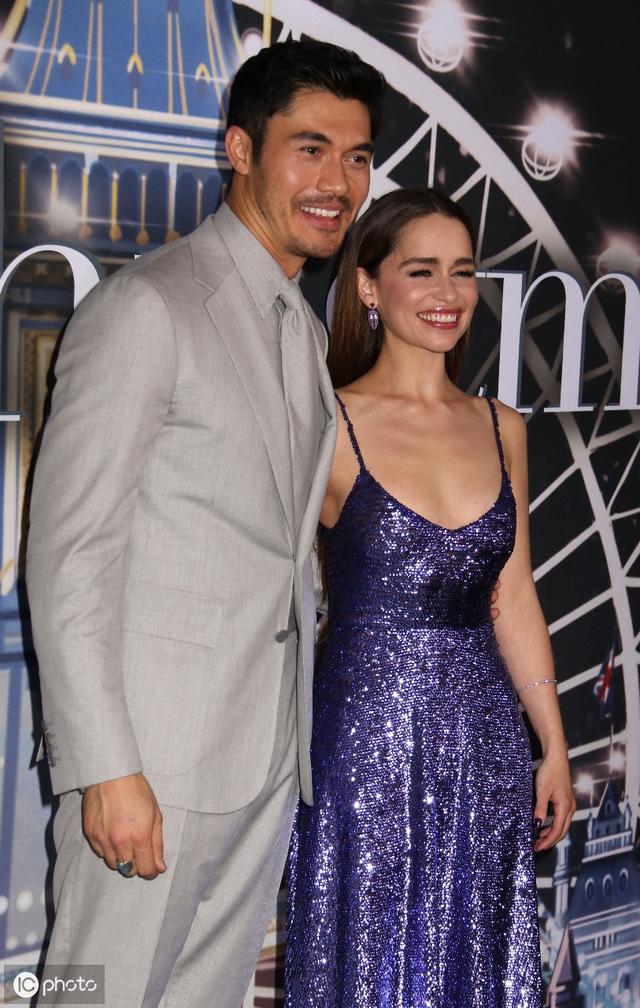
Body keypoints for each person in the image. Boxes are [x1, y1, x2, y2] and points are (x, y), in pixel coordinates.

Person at [26, 40, 385, 1008]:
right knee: (92, 999)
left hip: (261, 757)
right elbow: (68, 554)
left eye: (356, 157)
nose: (337, 182)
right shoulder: (149, 306)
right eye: (310, 149)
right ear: (239, 148)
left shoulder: (299, 322)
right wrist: (107, 767)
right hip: (151, 767)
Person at [285, 188, 576, 1007]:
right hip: (362, 746)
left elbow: (513, 592)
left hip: (485, 747)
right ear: (368, 286)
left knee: (473, 964)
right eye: (421, 271)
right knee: (369, 965)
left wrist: (552, 745)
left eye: (463, 271)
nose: (448, 293)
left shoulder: (503, 427)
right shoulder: (325, 422)